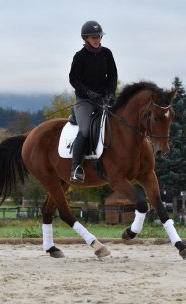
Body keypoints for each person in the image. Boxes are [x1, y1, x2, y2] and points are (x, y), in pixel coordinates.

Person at [68, 20, 118, 183]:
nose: (97, 39)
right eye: (93, 37)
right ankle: (76, 168)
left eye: (98, 36)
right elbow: (73, 79)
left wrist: (110, 93)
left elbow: (112, 76)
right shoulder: (80, 56)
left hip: (104, 100)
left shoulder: (107, 53)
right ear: (86, 38)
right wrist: (88, 92)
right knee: (85, 130)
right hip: (85, 101)